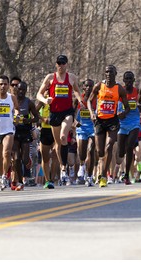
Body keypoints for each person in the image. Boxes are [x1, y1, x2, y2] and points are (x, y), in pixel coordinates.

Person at [36, 55, 83, 185]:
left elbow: (77, 91)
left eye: (63, 63)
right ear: (56, 64)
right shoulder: (50, 78)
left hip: (67, 112)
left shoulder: (72, 77)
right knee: (58, 145)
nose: (61, 65)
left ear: (67, 64)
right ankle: (63, 167)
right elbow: (38, 94)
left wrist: (80, 101)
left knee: (63, 136)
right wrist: (46, 100)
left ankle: (63, 168)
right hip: (54, 113)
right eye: (58, 63)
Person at [88, 65, 130, 187]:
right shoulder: (98, 86)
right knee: (99, 151)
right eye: (106, 72)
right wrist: (92, 113)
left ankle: (104, 176)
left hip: (113, 121)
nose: (108, 74)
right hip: (100, 120)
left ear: (115, 73)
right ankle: (100, 171)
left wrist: (123, 113)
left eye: (111, 72)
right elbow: (89, 101)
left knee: (109, 146)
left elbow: (127, 107)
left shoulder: (119, 89)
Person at [11, 81, 39, 190]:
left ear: (26, 90)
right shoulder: (12, 101)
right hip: (15, 131)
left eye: (23, 89)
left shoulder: (29, 102)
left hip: (26, 131)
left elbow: (37, 117)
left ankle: (28, 161)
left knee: (25, 158)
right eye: (19, 89)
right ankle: (20, 179)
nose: (21, 91)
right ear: (16, 89)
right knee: (16, 158)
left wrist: (29, 120)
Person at [117, 71, 141, 185]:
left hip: (135, 122)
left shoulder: (137, 91)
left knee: (130, 146)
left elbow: (140, 104)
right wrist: (118, 113)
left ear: (133, 80)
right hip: (122, 123)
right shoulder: (120, 91)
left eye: (130, 79)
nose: (128, 81)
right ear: (123, 80)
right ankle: (122, 172)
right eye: (126, 79)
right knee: (121, 153)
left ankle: (127, 174)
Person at [75, 79, 96, 187]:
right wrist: (75, 123)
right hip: (81, 128)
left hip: (93, 129)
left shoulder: (96, 99)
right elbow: (73, 114)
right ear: (83, 87)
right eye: (87, 86)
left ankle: (89, 177)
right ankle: (82, 165)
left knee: (91, 150)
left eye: (91, 86)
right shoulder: (79, 99)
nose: (89, 88)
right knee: (82, 153)